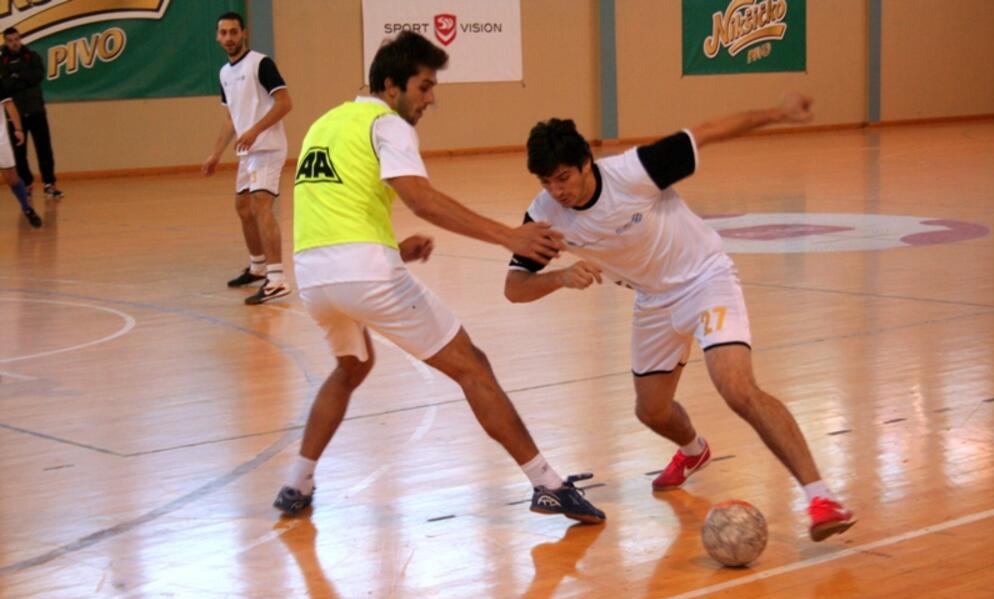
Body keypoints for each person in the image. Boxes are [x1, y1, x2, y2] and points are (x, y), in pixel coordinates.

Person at [272, 31, 605, 525]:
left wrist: (394, 250)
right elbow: (421, 200)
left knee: (351, 368)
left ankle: (297, 482)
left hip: (315, 277)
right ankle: (546, 483)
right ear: (391, 85)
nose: (432, 98)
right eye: (424, 87)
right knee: (473, 365)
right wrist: (507, 236)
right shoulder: (388, 124)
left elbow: (337, 208)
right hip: (363, 274)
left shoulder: (326, 123)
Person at [505, 94, 855, 541]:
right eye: (546, 181)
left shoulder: (634, 172)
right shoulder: (544, 216)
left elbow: (705, 132)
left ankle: (821, 496)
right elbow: (513, 288)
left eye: (563, 178)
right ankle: (693, 451)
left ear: (587, 163)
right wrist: (559, 277)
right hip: (652, 301)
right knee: (651, 411)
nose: (557, 191)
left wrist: (777, 112)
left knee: (736, 387)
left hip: (706, 279)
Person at [202, 11, 292, 305]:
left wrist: (254, 130)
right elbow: (231, 118)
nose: (228, 38)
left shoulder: (261, 64)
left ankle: (277, 279)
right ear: (217, 37)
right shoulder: (224, 73)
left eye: (233, 32)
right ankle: (258, 267)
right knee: (242, 206)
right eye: (223, 33)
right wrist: (215, 153)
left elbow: (285, 103)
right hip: (247, 152)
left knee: (261, 206)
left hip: (267, 147)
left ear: (244, 33)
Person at [0, 27, 62, 200]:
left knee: (44, 150)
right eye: (10, 40)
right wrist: (21, 79)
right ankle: (26, 183)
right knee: (19, 154)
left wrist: (16, 77)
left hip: (36, 111)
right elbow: (5, 86)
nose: (14, 43)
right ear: (6, 41)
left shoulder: (32, 56)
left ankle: (50, 184)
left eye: (16, 39)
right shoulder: (1, 61)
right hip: (16, 116)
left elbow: (37, 76)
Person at [0, 84, 42, 227]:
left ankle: (27, 208)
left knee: (11, 178)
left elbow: (9, 105)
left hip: (0, 140)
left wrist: (18, 129)